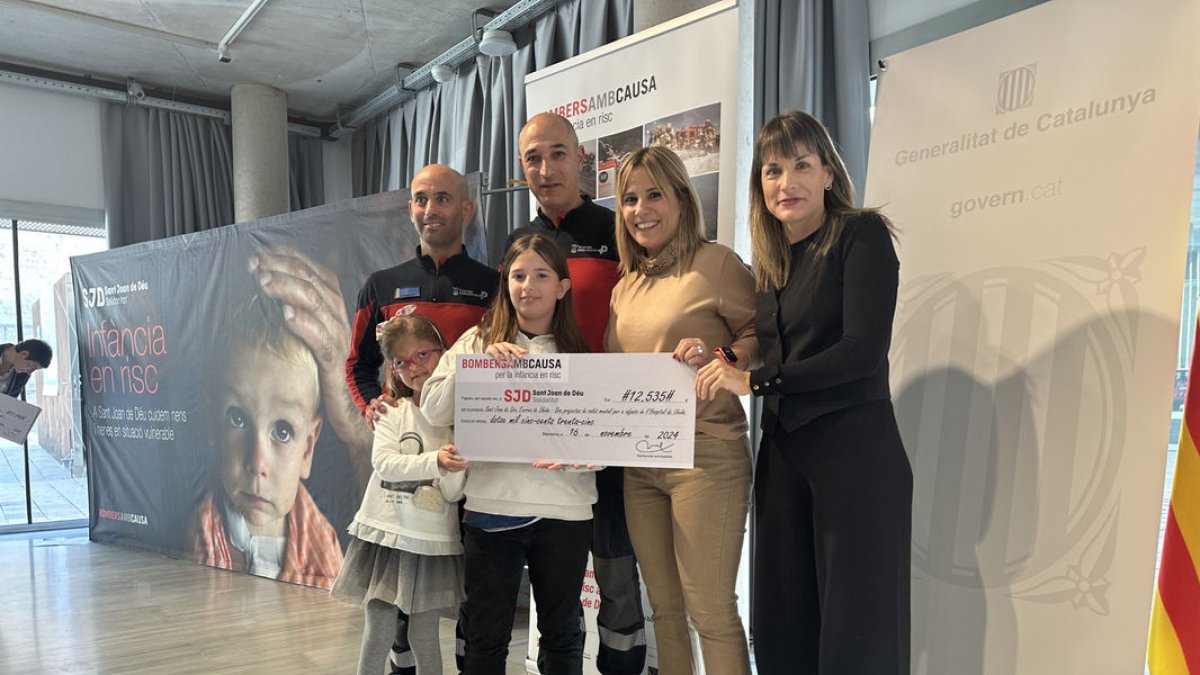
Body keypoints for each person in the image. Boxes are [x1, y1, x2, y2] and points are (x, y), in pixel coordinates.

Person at [696, 110, 912, 674]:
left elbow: (860, 352)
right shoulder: (772, 262)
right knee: (784, 620)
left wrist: (758, 383)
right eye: (771, 170)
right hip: (787, 455)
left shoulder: (861, 235)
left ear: (828, 176)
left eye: (800, 165)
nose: (785, 182)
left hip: (855, 454)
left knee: (856, 632)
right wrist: (721, 358)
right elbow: (773, 350)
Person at [605, 146, 758, 674]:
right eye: (629, 198)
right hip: (639, 466)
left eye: (654, 194)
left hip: (705, 458)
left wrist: (722, 357)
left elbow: (761, 337)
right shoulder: (625, 287)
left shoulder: (716, 264)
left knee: (711, 612)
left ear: (680, 198)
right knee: (665, 612)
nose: (641, 208)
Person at [509, 112, 646, 675]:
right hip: (543, 427)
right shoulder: (517, 244)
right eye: (533, 159)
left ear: (582, 158)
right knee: (558, 578)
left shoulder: (622, 231)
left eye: (557, 154)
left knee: (615, 567)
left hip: (609, 421)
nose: (546, 169)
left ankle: (622, 665)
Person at [422, 234, 597, 675]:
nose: (528, 285)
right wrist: (477, 367)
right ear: (506, 282)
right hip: (492, 508)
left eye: (541, 275)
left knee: (562, 633)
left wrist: (585, 456)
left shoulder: (582, 355)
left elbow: (605, 441)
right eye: (518, 275)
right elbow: (432, 408)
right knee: (485, 635)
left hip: (565, 510)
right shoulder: (477, 343)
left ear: (562, 286)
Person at [331, 311, 469, 675]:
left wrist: (454, 466)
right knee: (378, 622)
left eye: (422, 354)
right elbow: (385, 465)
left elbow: (454, 494)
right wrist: (435, 461)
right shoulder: (391, 412)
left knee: (425, 631)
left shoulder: (458, 423)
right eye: (401, 361)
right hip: (389, 535)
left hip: (430, 540)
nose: (414, 367)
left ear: (443, 352)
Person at [189, 292, 343, 589]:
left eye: (282, 431)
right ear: (212, 424)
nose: (257, 462)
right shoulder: (202, 531)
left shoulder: (323, 545)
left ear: (308, 449)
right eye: (238, 419)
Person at [347, 163, 500, 429]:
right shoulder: (380, 285)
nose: (430, 210)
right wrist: (371, 403)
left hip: (472, 435)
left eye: (442, 199)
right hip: (405, 434)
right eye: (421, 200)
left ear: (466, 210)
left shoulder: (496, 285)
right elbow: (358, 363)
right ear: (410, 210)